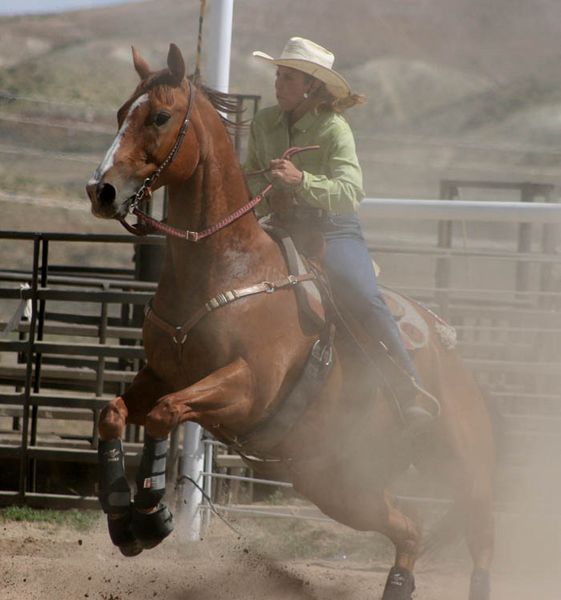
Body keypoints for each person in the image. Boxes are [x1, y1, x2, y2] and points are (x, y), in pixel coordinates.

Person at [244, 36, 439, 431]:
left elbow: (351, 193)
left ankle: (408, 387)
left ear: (310, 86)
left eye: (287, 77)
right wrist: (267, 202)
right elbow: (251, 180)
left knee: (361, 294)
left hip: (332, 229)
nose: (278, 83)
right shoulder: (264, 122)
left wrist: (300, 181)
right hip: (281, 226)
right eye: (278, 75)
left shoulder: (335, 129)